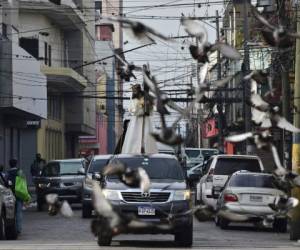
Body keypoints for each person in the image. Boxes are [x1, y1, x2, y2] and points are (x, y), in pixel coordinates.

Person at [7, 159, 24, 234]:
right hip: (19, 194)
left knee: (11, 213)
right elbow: (23, 184)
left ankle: (13, 228)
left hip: (10, 195)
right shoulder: (20, 172)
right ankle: (18, 229)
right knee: (18, 212)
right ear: (16, 164)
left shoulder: (7, 173)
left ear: (9, 164)